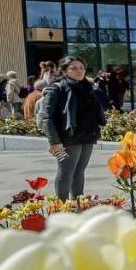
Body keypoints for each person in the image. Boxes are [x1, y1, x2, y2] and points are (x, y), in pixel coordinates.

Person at [39, 56, 107, 199]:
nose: (79, 71)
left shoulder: (89, 88)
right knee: (66, 172)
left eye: (81, 68)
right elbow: (47, 118)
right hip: (65, 139)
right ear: (64, 71)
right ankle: (61, 207)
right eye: (74, 68)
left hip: (87, 136)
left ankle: (78, 204)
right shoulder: (56, 89)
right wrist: (54, 142)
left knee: (80, 171)